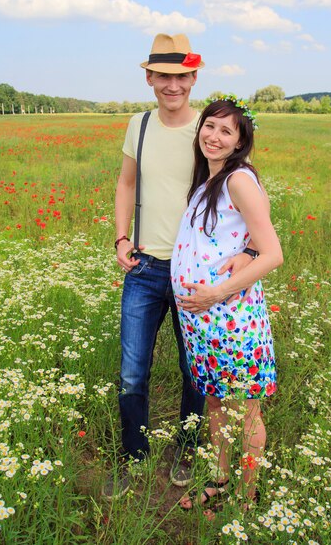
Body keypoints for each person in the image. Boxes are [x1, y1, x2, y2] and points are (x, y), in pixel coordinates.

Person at [109, 35, 254, 498]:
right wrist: (121, 236)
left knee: (196, 370)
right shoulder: (140, 125)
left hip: (198, 274)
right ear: (150, 78)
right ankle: (133, 458)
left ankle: (188, 452)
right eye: (163, 76)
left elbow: (243, 193)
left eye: (182, 76)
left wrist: (249, 251)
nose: (173, 85)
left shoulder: (210, 129)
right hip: (147, 266)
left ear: (194, 78)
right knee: (133, 369)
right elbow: (126, 183)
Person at [170, 95, 283, 514]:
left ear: (240, 141)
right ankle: (219, 479)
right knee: (215, 401)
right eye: (209, 126)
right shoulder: (210, 179)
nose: (214, 137)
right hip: (202, 321)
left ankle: (247, 496)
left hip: (231, 319)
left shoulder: (238, 179)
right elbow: (249, 231)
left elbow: (274, 252)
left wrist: (219, 292)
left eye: (226, 130)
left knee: (246, 412)